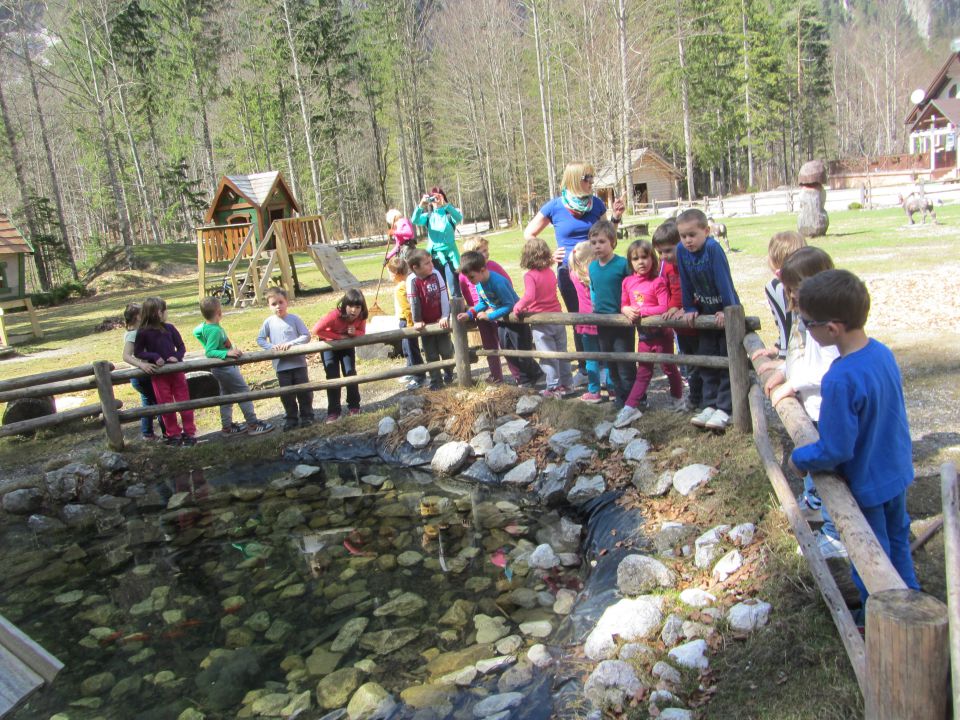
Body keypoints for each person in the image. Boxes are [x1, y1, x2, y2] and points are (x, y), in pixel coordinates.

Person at [790, 269, 919, 607]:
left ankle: (878, 618)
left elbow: (835, 448)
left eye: (807, 323)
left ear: (831, 328)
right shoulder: (882, 353)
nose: (805, 328)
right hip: (896, 472)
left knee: (869, 556)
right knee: (897, 541)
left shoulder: (840, 379)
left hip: (868, 482)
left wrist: (799, 458)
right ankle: (911, 599)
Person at [763, 247, 845, 559]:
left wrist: (793, 384)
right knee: (810, 455)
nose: (789, 297)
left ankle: (837, 535)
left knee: (830, 470)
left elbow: (827, 370)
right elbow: (801, 354)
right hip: (810, 407)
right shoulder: (805, 319)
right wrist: (784, 370)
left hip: (826, 408)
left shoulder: (826, 325)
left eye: (793, 290)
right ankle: (812, 502)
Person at [523, 161, 625, 379]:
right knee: (579, 317)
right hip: (569, 273)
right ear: (575, 179)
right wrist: (549, 255)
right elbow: (529, 233)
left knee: (600, 313)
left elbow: (607, 233)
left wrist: (615, 217)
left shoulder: (596, 204)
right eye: (587, 178)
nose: (591, 182)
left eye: (591, 177)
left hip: (597, 269)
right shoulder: (555, 206)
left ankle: (607, 366)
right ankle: (586, 368)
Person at [676, 209, 740, 431]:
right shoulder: (681, 251)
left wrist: (727, 309)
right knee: (707, 359)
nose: (687, 241)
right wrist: (689, 307)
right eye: (683, 236)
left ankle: (725, 408)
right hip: (704, 312)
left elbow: (724, 279)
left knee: (725, 360)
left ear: (706, 231)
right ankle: (710, 404)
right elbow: (684, 281)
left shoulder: (713, 249)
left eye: (692, 235)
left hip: (724, 312)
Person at [615, 239, 684, 427]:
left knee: (669, 367)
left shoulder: (658, 282)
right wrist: (626, 310)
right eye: (635, 258)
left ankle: (678, 399)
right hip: (644, 336)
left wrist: (642, 311)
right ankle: (630, 407)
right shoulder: (627, 282)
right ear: (630, 262)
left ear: (652, 259)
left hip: (662, 336)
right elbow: (624, 304)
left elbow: (663, 307)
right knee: (643, 371)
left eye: (645, 257)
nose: (641, 262)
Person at [456, 251, 542, 387]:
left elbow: (509, 305)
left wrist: (489, 316)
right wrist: (470, 314)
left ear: (482, 270)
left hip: (515, 321)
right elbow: (483, 302)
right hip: (502, 320)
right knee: (507, 351)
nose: (470, 281)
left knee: (520, 351)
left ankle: (529, 378)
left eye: (471, 277)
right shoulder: (479, 284)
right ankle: (532, 375)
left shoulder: (498, 282)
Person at [193, 297, 274, 436]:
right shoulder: (215, 330)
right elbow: (209, 351)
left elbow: (196, 331)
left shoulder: (205, 326)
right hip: (225, 369)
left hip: (220, 369)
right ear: (219, 312)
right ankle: (253, 424)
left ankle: (227, 427)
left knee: (226, 396)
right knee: (243, 392)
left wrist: (204, 339)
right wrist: (227, 353)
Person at [133, 296, 196, 446]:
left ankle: (189, 431)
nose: (166, 313)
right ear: (156, 313)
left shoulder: (170, 328)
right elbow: (138, 352)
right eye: (164, 310)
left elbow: (181, 347)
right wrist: (154, 356)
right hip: (159, 375)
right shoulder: (143, 333)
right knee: (166, 405)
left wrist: (176, 357)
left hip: (176, 372)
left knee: (184, 402)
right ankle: (173, 433)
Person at [514, 237, 573, 397]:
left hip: (541, 320)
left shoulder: (530, 276)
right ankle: (567, 384)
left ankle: (553, 386)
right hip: (557, 316)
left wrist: (519, 306)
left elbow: (530, 296)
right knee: (561, 352)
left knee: (548, 355)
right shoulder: (549, 272)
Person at [588, 220, 634, 408]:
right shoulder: (592, 267)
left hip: (621, 321)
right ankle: (621, 399)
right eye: (593, 242)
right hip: (602, 321)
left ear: (612, 241)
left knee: (625, 363)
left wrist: (628, 307)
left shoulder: (622, 264)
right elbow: (594, 289)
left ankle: (635, 400)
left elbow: (632, 287)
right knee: (610, 364)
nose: (597, 246)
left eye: (601, 241)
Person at [458, 235, 515, 385]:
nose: (487, 254)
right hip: (481, 314)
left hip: (498, 311)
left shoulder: (493, 267)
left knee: (506, 345)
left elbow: (507, 285)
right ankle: (496, 376)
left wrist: (493, 310)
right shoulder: (466, 276)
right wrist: (472, 312)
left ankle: (518, 375)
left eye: (487, 250)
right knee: (489, 347)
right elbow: (466, 292)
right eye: (483, 251)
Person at [653, 222, 698, 411]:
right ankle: (695, 398)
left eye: (668, 251)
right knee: (688, 361)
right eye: (660, 253)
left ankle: (701, 398)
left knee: (700, 363)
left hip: (693, 322)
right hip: (680, 326)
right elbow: (666, 288)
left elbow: (686, 290)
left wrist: (676, 306)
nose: (664, 256)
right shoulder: (667, 266)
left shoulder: (688, 263)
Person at [256, 287, 314, 430]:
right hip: (281, 367)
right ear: (269, 306)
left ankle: (307, 416)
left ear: (286, 302)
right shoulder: (268, 322)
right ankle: (291, 418)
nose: (278, 306)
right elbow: (260, 339)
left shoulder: (294, 319)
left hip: (298, 364)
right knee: (287, 394)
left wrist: (290, 344)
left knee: (304, 391)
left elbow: (306, 336)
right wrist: (272, 347)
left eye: (280, 302)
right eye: (274, 304)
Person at [750, 231, 807, 373]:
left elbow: (785, 323)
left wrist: (782, 358)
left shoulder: (777, 287)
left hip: (799, 357)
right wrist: (778, 346)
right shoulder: (806, 282)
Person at [313, 289, 368, 423]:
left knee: (350, 373)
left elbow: (362, 332)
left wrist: (355, 333)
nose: (353, 310)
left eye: (357, 307)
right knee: (332, 376)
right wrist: (338, 337)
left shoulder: (361, 317)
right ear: (344, 305)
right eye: (350, 306)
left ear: (362, 308)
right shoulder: (334, 315)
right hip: (329, 346)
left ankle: (354, 406)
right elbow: (316, 330)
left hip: (347, 346)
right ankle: (334, 411)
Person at [406, 249, 454, 390]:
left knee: (446, 350)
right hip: (426, 324)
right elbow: (414, 301)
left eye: (431, 261)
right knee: (431, 353)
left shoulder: (436, 274)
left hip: (441, 320)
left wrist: (445, 315)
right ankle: (435, 380)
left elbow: (444, 296)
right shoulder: (412, 280)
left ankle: (449, 372)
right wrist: (417, 320)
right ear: (416, 267)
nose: (431, 265)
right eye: (427, 263)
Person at [122, 303, 165, 440]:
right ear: (138, 317)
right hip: (141, 376)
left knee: (148, 403)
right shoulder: (133, 334)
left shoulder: (140, 332)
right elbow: (126, 355)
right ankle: (167, 431)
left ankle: (148, 433)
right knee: (159, 403)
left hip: (144, 375)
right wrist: (142, 365)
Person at [411, 187, 463, 298]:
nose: (436, 200)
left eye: (438, 196)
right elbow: (414, 220)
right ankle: (442, 313)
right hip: (433, 257)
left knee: (454, 288)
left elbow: (459, 218)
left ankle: (458, 313)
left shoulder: (449, 214)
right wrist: (421, 205)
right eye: (433, 198)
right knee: (438, 291)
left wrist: (446, 205)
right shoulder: (429, 216)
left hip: (450, 257)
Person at [569, 241, 602, 403]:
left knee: (591, 358)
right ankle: (612, 389)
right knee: (607, 357)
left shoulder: (573, 275)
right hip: (600, 320)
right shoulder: (596, 275)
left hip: (585, 322)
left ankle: (594, 391)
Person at [389, 256, 426, 390]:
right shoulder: (408, 282)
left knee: (411, 348)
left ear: (396, 274)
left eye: (390, 273)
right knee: (407, 347)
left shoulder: (401, 287)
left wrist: (410, 325)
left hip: (406, 321)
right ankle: (410, 370)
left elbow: (407, 308)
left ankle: (419, 376)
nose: (390, 276)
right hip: (404, 320)